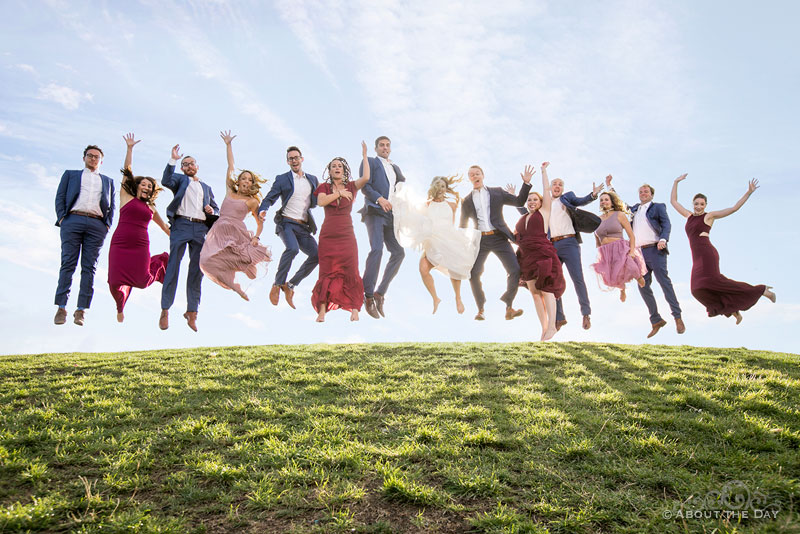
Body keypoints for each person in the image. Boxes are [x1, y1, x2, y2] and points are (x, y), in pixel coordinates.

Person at [671, 174, 775, 323]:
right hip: (697, 258)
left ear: (706, 205)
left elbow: (733, 209)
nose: (699, 206)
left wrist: (748, 192)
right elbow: (673, 201)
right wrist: (676, 182)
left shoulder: (709, 216)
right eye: (696, 203)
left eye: (702, 204)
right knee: (697, 289)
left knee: (716, 282)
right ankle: (733, 311)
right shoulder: (689, 216)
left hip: (707, 254)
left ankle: (762, 291)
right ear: (693, 204)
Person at [606, 175, 684, 338]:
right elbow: (620, 205)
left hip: (655, 249)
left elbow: (666, 224)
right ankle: (656, 320)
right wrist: (610, 186)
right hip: (639, 253)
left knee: (664, 282)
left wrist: (663, 239)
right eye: (641, 191)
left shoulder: (658, 207)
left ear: (651, 194)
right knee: (643, 285)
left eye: (646, 191)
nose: (643, 193)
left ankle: (677, 317)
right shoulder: (634, 209)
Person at [393, 175, 480, 314]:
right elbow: (415, 217)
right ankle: (435, 298)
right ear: (433, 187)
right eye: (438, 186)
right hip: (433, 240)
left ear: (446, 189)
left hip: (448, 238)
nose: (440, 189)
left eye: (443, 186)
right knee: (423, 268)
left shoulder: (452, 205)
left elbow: (451, 224)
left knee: (455, 268)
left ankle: (458, 297)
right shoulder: (427, 204)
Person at [199, 131, 271, 301]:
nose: (246, 181)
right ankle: (234, 284)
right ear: (238, 181)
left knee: (239, 256)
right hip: (218, 230)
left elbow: (260, 223)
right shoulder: (230, 190)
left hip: (235, 231)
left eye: (250, 180)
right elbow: (230, 166)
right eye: (244, 178)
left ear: (252, 184)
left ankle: (246, 265)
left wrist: (256, 238)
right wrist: (228, 145)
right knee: (205, 261)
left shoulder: (252, 201)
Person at [107, 133, 170, 323]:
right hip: (120, 242)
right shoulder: (127, 197)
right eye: (143, 184)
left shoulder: (151, 208)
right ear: (137, 186)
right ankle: (120, 306)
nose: (146, 187)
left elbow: (165, 228)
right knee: (114, 281)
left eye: (149, 186)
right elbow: (126, 172)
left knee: (142, 281)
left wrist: (177, 238)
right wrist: (129, 149)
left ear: (152, 190)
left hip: (140, 246)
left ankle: (161, 261)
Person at [53, 144, 115, 326]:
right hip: (73, 220)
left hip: (97, 225)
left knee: (90, 268)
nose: (93, 159)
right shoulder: (70, 175)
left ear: (101, 161)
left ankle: (81, 310)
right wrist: (63, 218)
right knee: (68, 264)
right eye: (90, 156)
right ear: (84, 158)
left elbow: (111, 205)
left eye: (96, 157)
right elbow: (60, 197)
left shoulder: (108, 181)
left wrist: (107, 225)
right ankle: (61, 307)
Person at [159, 143, 219, 331]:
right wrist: (173, 160)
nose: (189, 166)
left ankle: (192, 312)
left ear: (197, 167)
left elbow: (215, 208)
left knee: (197, 270)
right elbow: (166, 180)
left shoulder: (206, 187)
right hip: (181, 225)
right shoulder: (179, 180)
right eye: (185, 164)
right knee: (173, 266)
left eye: (192, 163)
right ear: (182, 168)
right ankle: (165, 309)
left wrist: (211, 209)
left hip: (200, 229)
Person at [460, 164, 531, 321]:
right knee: (473, 274)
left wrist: (526, 184)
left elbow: (519, 200)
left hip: (499, 237)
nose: (474, 176)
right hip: (481, 241)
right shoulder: (466, 201)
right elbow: (463, 227)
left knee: (514, 270)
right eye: (471, 175)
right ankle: (480, 309)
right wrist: (461, 246)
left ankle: (509, 306)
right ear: (469, 179)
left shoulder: (497, 192)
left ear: (483, 175)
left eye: (477, 173)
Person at [312, 142, 371, 322]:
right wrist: (339, 194)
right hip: (329, 234)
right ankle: (322, 311)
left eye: (339, 166)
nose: (336, 168)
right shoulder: (324, 187)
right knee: (326, 271)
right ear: (329, 171)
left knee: (351, 269)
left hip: (346, 234)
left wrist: (365, 155)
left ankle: (354, 309)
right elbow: (321, 202)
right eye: (333, 166)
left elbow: (366, 178)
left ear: (344, 170)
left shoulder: (352, 186)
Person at [259, 146, 319, 309]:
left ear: (302, 159)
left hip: (303, 226)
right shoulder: (283, 179)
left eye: (296, 157)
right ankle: (277, 285)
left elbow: (320, 199)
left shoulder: (312, 179)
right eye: (290, 158)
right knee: (292, 249)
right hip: (286, 223)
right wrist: (263, 209)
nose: (294, 160)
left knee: (318, 255)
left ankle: (290, 285)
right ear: (288, 162)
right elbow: (270, 197)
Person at [514, 162, 566, 340]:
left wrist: (544, 172)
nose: (532, 202)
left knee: (546, 290)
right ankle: (543, 329)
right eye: (529, 200)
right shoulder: (522, 218)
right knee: (535, 294)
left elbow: (545, 189)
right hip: (526, 257)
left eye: (535, 199)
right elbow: (515, 237)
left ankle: (552, 326)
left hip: (543, 253)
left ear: (541, 202)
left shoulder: (544, 212)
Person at [359, 136, 406, 319]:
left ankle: (380, 293)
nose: (385, 148)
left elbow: (402, 189)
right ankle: (368, 295)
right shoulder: (370, 162)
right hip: (375, 211)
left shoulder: (395, 168)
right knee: (377, 249)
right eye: (381, 145)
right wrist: (380, 198)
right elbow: (365, 185)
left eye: (387, 145)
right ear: (376, 148)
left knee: (399, 253)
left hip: (391, 215)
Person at [548, 175, 603, 330]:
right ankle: (559, 317)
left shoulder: (567, 197)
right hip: (552, 245)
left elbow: (581, 201)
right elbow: (528, 211)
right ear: (550, 187)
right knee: (553, 282)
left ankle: (586, 314)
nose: (557, 186)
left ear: (562, 188)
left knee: (577, 278)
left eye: (560, 184)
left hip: (569, 242)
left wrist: (593, 195)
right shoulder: (544, 203)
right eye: (554, 184)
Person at [590, 191, 646, 302]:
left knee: (632, 268)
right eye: (601, 200)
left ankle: (638, 277)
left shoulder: (619, 215)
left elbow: (631, 235)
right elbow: (597, 239)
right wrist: (600, 254)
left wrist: (632, 251)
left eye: (606, 199)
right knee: (611, 277)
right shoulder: (597, 219)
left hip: (620, 248)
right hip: (605, 252)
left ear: (611, 202)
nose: (603, 202)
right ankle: (622, 289)